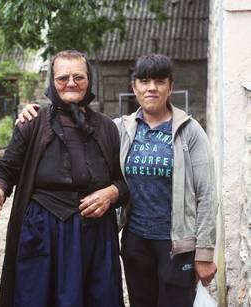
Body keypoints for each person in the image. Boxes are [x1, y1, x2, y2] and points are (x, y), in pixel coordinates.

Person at [17, 53, 218, 307]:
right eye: (144, 81)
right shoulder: (120, 129)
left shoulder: (189, 132)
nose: (152, 88)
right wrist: (30, 114)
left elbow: (207, 194)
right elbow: (89, 147)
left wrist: (205, 253)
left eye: (159, 81)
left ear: (171, 87)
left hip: (176, 245)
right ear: (134, 88)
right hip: (135, 240)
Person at [0, 50, 128, 307]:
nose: (71, 83)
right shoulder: (32, 123)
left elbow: (124, 181)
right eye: (63, 78)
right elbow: (6, 170)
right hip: (43, 231)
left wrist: (112, 193)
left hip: (94, 236)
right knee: (37, 298)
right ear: (52, 81)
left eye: (78, 77)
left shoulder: (107, 127)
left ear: (89, 80)